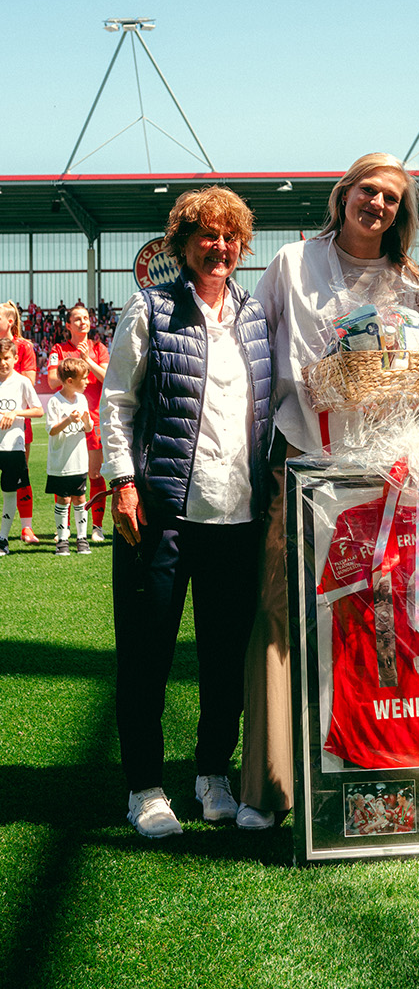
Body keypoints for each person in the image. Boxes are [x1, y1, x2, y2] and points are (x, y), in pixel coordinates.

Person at [250, 152, 419, 829]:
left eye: (390, 198)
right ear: (343, 194)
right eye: (366, 190)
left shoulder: (409, 283)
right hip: (301, 467)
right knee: (281, 618)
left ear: (400, 214)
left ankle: (373, 774)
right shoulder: (293, 264)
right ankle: (270, 789)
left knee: (370, 623)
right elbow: (252, 350)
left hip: (380, 478)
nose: (376, 203)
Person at [101, 185, 273, 837]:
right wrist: (123, 481)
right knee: (146, 656)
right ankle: (145, 789)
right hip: (162, 516)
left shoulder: (255, 315)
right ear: (182, 244)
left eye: (230, 236)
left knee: (226, 658)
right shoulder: (148, 309)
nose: (220, 247)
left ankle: (211, 773)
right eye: (207, 235)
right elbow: (118, 402)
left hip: (238, 519)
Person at [46, 302, 111, 543]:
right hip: (65, 421)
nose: (83, 322)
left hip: (91, 420)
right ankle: (62, 529)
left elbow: (106, 378)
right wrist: (73, 365)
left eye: (86, 318)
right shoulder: (59, 349)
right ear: (68, 325)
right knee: (64, 474)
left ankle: (96, 526)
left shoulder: (99, 348)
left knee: (94, 474)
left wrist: (86, 360)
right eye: (77, 319)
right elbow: (53, 381)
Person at [43, 356, 94, 554]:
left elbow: (87, 428)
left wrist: (86, 421)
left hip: (79, 461)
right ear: (70, 381)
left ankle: (82, 539)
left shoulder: (82, 399)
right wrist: (68, 420)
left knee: (80, 499)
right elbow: (52, 430)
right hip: (60, 463)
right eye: (84, 378)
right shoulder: (55, 401)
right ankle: (62, 540)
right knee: (63, 500)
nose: (87, 382)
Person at [0, 303, 39, 543]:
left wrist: (12, 411)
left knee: (19, 475)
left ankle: (26, 527)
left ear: (10, 321)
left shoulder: (24, 347)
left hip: (17, 425)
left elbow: (29, 382)